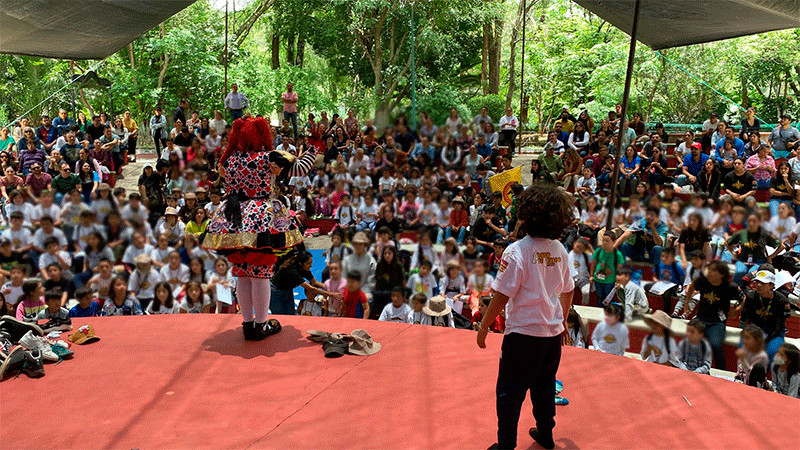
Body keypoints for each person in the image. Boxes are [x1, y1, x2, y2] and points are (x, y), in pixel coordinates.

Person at [476, 184, 575, 450]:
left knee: (509, 392)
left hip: (522, 335)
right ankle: (546, 434)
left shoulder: (517, 251)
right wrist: (562, 321)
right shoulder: (559, 250)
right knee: (544, 388)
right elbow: (569, 290)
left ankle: (506, 445)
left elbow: (501, 294)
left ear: (526, 214)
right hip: (551, 336)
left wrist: (484, 326)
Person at [202, 116, 316, 340]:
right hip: (260, 218)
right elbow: (301, 169)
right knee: (261, 273)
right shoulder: (268, 157)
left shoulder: (230, 159)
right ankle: (261, 325)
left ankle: (247, 324)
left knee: (242, 273)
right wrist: (313, 148)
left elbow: (220, 175)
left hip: (233, 218)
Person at [684, 260, 739, 369]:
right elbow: (691, 287)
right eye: (709, 269)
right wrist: (686, 303)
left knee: (715, 344)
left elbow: (744, 298)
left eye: (713, 270)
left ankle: (721, 371)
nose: (709, 272)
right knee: (690, 341)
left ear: (722, 274)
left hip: (716, 322)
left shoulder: (730, 287)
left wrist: (737, 310)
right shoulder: (702, 281)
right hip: (700, 319)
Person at [740, 266, 790, 361]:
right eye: (757, 282)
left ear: (771, 286)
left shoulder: (782, 300)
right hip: (755, 330)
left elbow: (779, 326)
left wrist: (765, 341)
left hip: (774, 332)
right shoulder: (751, 296)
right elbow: (748, 319)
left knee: (772, 352)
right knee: (744, 347)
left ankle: (766, 374)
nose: (758, 285)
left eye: (763, 283)